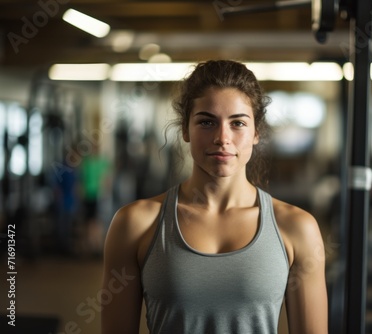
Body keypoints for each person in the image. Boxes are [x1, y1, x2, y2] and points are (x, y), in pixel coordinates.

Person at [101, 60, 328, 334]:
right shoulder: (135, 224)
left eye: (238, 123)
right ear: (185, 129)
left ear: (257, 132)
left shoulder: (297, 229)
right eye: (207, 122)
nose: (222, 137)